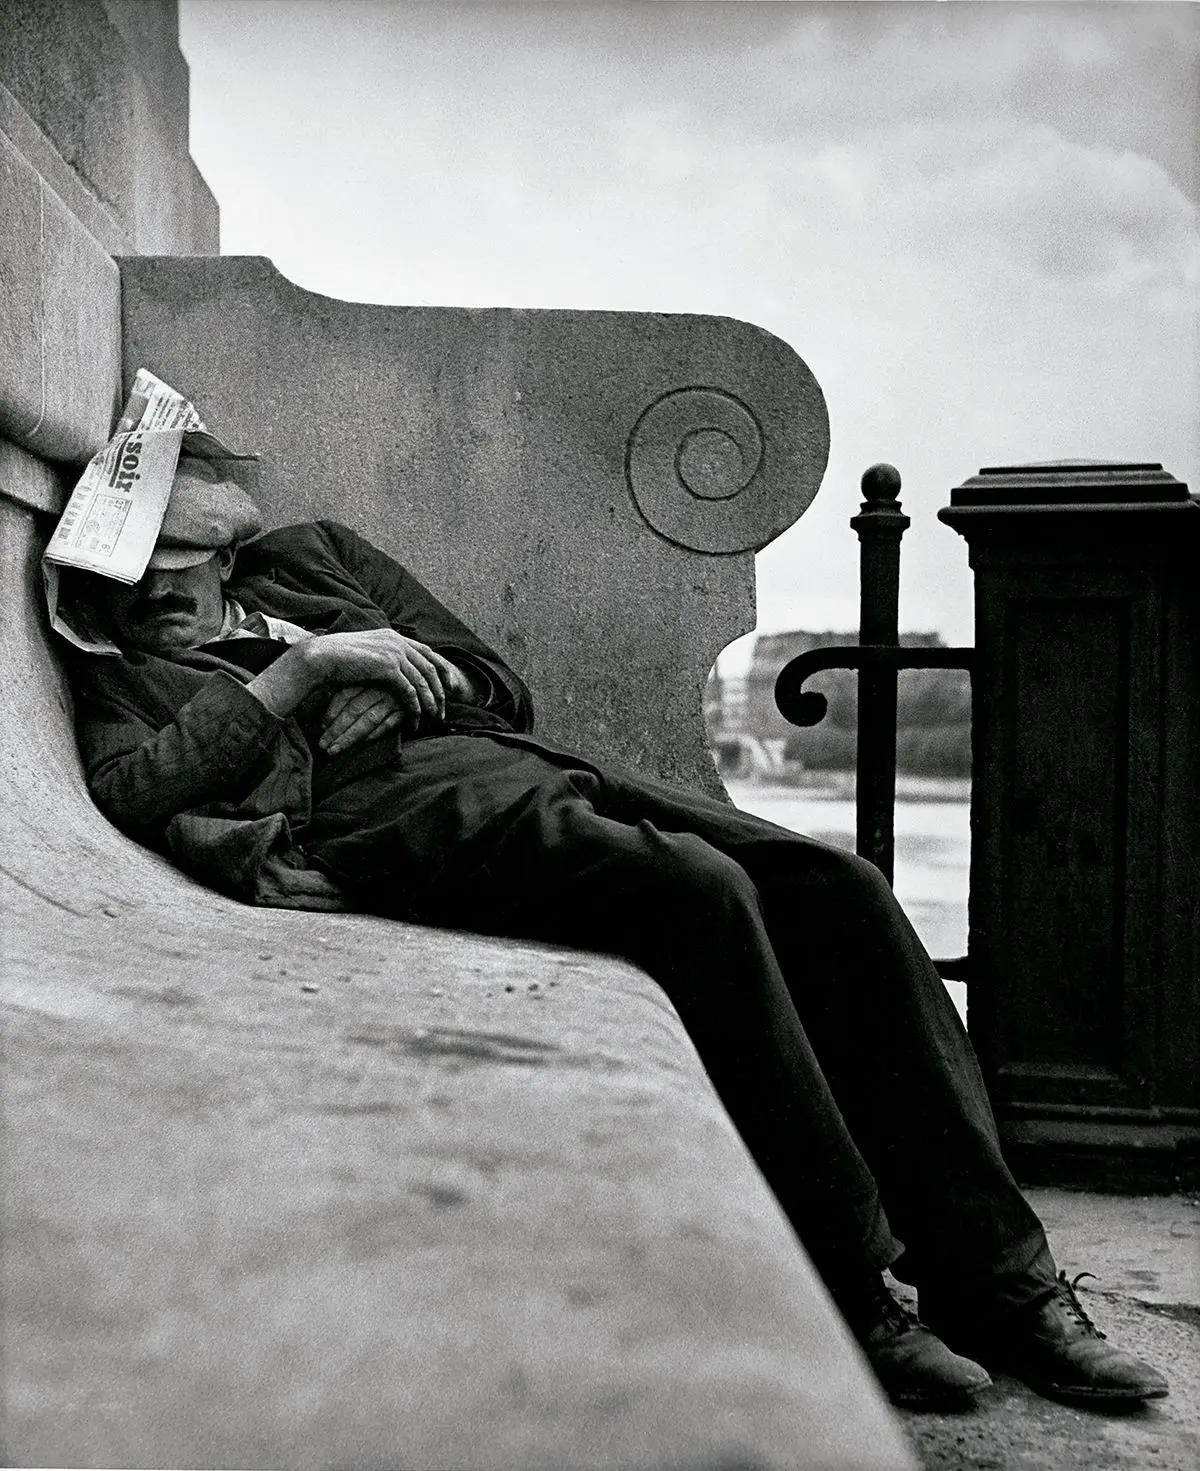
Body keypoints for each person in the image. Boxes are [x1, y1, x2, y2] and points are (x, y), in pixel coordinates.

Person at [59, 455, 1168, 1411]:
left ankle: (1000, 1280)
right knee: (695, 892)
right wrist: (307, 671)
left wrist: (406, 682)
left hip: (520, 763)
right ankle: (848, 1282)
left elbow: (499, 682)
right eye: (131, 564)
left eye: (178, 553)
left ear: (223, 549)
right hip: (393, 821)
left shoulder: (317, 559)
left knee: (839, 884)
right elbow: (135, 787)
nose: (156, 582)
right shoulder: (118, 667)